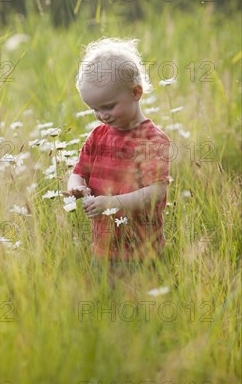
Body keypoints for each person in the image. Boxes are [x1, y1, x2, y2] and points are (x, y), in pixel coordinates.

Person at [62, 37, 171, 283]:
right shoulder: (98, 136)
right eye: (94, 109)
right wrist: (76, 186)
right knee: (106, 306)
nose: (101, 115)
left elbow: (156, 191)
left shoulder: (151, 141)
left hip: (141, 251)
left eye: (109, 107)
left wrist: (111, 202)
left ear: (136, 92)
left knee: (140, 307)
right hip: (102, 248)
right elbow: (79, 171)